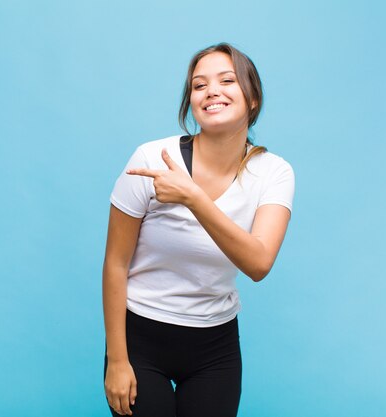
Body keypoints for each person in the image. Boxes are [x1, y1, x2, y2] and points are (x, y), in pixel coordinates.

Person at [102, 43, 295, 417]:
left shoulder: (274, 172)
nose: (211, 92)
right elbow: (115, 263)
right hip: (140, 337)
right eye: (199, 85)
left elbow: (258, 264)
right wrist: (117, 360)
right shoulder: (151, 160)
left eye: (227, 80)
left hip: (215, 348)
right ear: (191, 101)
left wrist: (193, 197)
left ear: (252, 98)